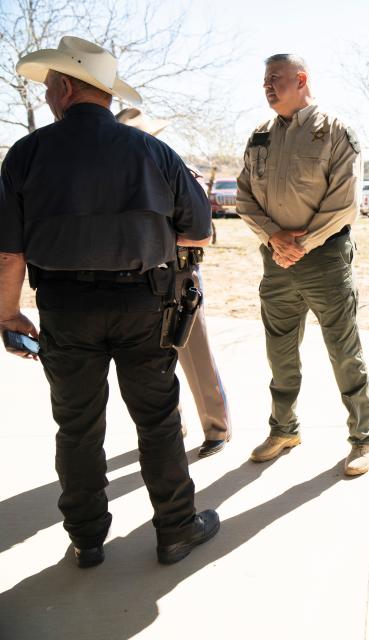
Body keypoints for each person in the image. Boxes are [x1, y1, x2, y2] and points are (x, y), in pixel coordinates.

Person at [0, 36, 220, 567]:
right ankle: (175, 531)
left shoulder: (27, 153)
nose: (49, 94)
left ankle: (87, 539)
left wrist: (7, 313)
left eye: (51, 84)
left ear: (67, 87)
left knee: (77, 426)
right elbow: (201, 233)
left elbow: (9, 253)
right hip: (144, 306)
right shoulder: (155, 152)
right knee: (157, 419)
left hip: (65, 309)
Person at [237, 53, 369, 474]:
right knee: (279, 350)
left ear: (301, 79)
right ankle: (284, 429)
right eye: (264, 79)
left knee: (343, 350)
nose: (267, 85)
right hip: (276, 260)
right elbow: (244, 196)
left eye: (274, 78)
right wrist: (274, 238)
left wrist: (302, 243)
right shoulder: (260, 136)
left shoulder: (334, 131)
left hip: (325, 259)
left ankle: (363, 439)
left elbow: (344, 203)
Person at [117, 107, 232, 458]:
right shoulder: (118, 179)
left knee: (195, 355)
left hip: (179, 275)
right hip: (136, 280)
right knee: (150, 364)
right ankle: (170, 428)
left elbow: (202, 233)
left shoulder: (177, 170)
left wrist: (156, 237)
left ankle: (217, 429)